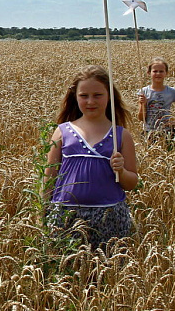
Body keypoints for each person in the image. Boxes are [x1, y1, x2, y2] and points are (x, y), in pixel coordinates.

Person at [45, 66, 139, 248]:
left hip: (109, 216)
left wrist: (120, 170)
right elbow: (49, 177)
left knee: (107, 271)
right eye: (84, 96)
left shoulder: (121, 135)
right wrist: (43, 213)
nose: (90, 101)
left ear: (109, 96)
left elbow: (132, 183)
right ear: (75, 97)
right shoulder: (62, 132)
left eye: (98, 95)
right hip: (65, 215)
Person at [135, 57, 175, 143]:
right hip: (148, 132)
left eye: (161, 71)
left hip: (167, 133)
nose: (158, 73)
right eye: (155, 71)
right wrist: (142, 104)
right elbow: (141, 118)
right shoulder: (143, 92)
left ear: (166, 73)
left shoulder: (172, 92)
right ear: (149, 73)